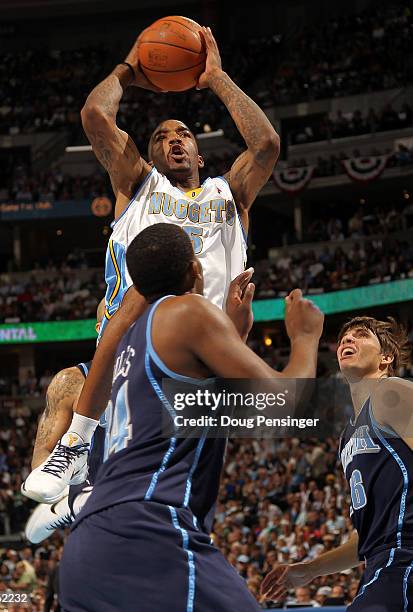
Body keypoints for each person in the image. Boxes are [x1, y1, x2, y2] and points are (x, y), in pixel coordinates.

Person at [41, 224, 322, 611]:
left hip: (89, 546)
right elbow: (287, 407)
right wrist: (305, 337)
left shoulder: (133, 342)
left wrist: (232, 340)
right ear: (194, 269)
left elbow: (197, 413)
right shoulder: (187, 311)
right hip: (150, 532)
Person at [80, 26, 280, 335]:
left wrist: (217, 78)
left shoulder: (229, 193)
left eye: (184, 134)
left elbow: (266, 144)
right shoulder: (138, 184)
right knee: (65, 384)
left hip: (210, 348)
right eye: (162, 137)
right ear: (149, 159)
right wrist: (129, 68)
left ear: (199, 157)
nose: (174, 140)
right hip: (138, 342)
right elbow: (95, 114)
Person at [261, 315, 412, 611]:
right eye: (344, 337)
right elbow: (366, 538)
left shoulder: (391, 392)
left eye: (361, 335)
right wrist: (310, 569)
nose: (348, 339)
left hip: (404, 560)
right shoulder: (348, 437)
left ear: (386, 357)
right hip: (380, 565)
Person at [22, 299, 107, 542]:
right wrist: (70, 479)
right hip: (93, 498)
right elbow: (41, 460)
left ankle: (67, 509)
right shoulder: (70, 382)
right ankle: (70, 505)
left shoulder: (161, 374)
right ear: (101, 328)